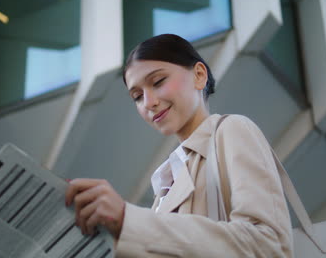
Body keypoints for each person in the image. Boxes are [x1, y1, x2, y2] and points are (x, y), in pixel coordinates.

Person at [65, 34, 293, 257]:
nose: (149, 102)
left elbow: (267, 245)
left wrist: (127, 220)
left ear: (199, 75)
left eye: (158, 81)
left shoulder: (232, 129)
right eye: (137, 96)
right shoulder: (167, 181)